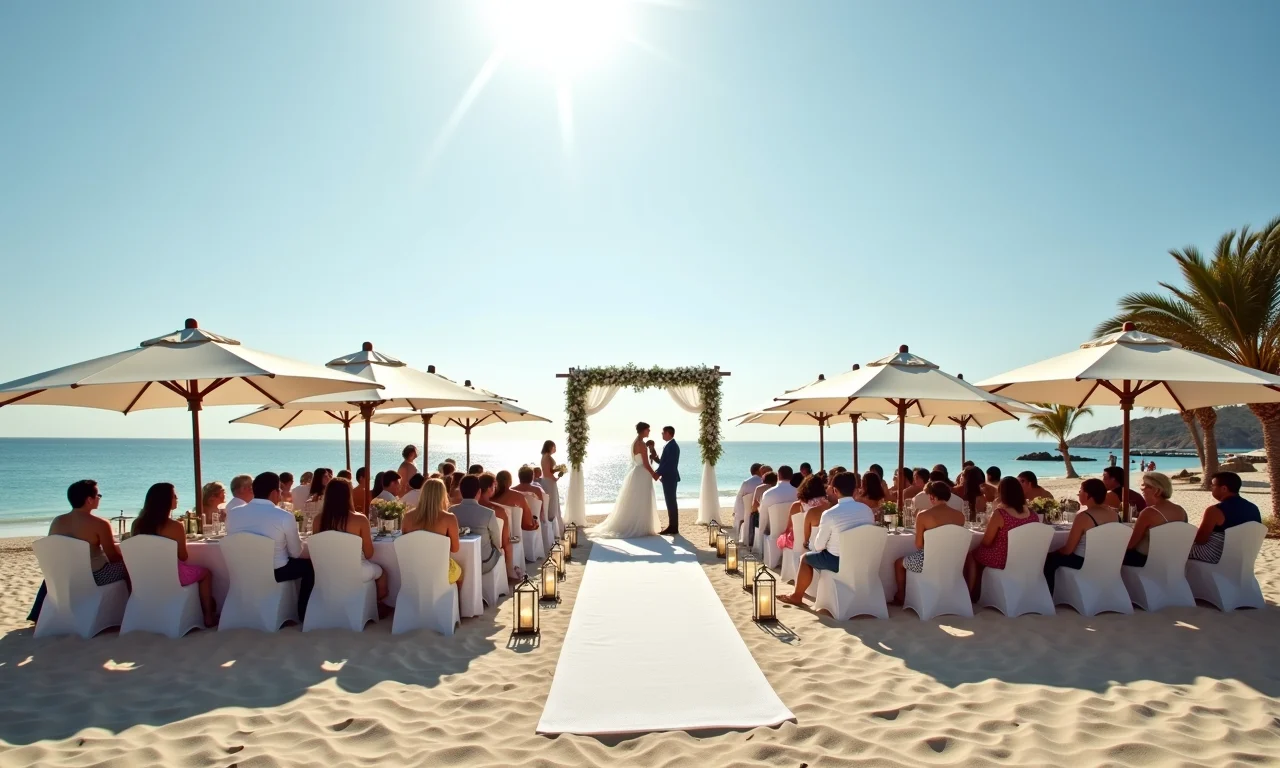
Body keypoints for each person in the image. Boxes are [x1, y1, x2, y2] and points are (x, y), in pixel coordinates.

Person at [27, 480, 129, 623]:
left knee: (56, 574)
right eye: (98, 495)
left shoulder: (58, 521)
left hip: (63, 576)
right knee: (131, 568)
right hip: (94, 577)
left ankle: (37, 614)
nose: (99, 498)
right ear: (89, 500)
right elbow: (112, 556)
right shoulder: (100, 524)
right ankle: (128, 613)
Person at [225, 472, 313, 619]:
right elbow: (296, 553)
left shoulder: (233, 513)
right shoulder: (284, 516)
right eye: (279, 491)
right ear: (274, 493)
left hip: (241, 570)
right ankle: (304, 614)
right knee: (310, 567)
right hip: (275, 572)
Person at [779, 472, 873, 607]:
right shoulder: (867, 510)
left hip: (838, 562)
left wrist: (811, 544)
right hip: (863, 559)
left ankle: (796, 596)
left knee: (805, 559)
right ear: (855, 490)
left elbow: (818, 546)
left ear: (835, 490)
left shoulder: (830, 514)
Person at [130, 483, 217, 627]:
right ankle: (208, 616)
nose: (177, 499)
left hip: (144, 575)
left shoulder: (136, 524)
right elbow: (183, 556)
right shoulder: (175, 526)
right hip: (171, 576)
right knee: (206, 573)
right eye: (174, 496)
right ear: (165, 501)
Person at [311, 478, 388, 611]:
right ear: (348, 495)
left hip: (326, 571)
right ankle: (376, 605)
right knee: (383, 572)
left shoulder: (318, 520)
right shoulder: (359, 520)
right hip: (355, 572)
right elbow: (369, 554)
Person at [893, 482, 967, 605]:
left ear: (932, 497)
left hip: (929, 563)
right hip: (952, 561)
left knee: (898, 563)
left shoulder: (923, 515)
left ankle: (901, 595)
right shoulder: (960, 516)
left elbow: (919, 545)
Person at [965, 477, 1036, 601]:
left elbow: (986, 542)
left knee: (972, 554)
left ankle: (972, 594)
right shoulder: (1032, 514)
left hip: (1003, 559)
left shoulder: (1001, 513)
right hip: (1026, 558)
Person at [1043, 478, 1119, 593]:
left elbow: (1068, 550)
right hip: (1108, 560)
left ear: (1088, 495)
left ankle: (1049, 595)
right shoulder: (1114, 514)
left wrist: (1052, 552)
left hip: (1083, 561)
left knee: (1048, 560)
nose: (1078, 494)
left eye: (1080, 491)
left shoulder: (1084, 517)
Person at [592, 422, 662, 538]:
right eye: (648, 430)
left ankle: (636, 523)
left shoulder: (635, 442)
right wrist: (654, 474)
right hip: (643, 473)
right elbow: (646, 463)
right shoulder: (642, 444)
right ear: (643, 430)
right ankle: (640, 526)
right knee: (643, 499)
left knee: (636, 500)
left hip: (636, 472)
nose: (649, 431)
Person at [1189, 471, 1262, 564]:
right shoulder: (1253, 508)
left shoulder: (1215, 510)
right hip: (1244, 558)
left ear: (1224, 488)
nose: (1211, 488)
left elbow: (1200, 540)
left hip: (1218, 558)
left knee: (1179, 551)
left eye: (1213, 485)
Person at [403, 478, 462, 587]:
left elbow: (405, 545)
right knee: (460, 575)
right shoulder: (449, 518)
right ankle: (452, 601)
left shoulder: (407, 517)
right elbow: (455, 548)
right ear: (442, 495)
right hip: (439, 570)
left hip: (414, 571)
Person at [1124, 472, 1188, 567]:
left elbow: (1131, 544)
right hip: (1172, 560)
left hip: (1147, 561)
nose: (1142, 489)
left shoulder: (1149, 512)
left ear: (1157, 490)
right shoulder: (1181, 510)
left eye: (1146, 486)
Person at [451, 474, 505, 577]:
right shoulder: (488, 513)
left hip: (458, 562)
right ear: (479, 492)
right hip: (483, 562)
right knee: (500, 552)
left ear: (461, 492)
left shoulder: (451, 511)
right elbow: (497, 540)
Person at [777, 473, 831, 554]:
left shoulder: (797, 505)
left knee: (782, 537)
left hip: (802, 542)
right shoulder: (828, 504)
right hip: (823, 543)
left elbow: (789, 527)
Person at [757, 465, 798, 542]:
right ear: (791, 477)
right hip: (792, 531)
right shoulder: (798, 493)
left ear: (778, 476)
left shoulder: (768, 493)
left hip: (772, 531)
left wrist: (760, 536)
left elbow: (763, 518)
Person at [654, 426, 682, 535]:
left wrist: (658, 473)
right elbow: (664, 462)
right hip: (668, 477)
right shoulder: (670, 445)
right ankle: (672, 526)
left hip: (670, 477)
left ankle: (673, 527)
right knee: (670, 502)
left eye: (663, 433)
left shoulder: (673, 446)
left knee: (671, 502)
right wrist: (656, 458)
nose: (662, 434)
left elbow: (669, 464)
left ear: (668, 433)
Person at [734, 463, 766, 541]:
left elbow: (739, 498)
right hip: (763, 512)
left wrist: (736, 512)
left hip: (748, 512)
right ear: (759, 470)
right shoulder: (766, 483)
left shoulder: (746, 483)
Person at [749, 470, 778, 546]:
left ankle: (752, 541)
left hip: (762, 518)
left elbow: (754, 506)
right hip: (777, 518)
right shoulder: (777, 489)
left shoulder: (759, 488)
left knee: (752, 515)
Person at [538, 440, 563, 528]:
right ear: (550, 447)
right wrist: (555, 478)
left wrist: (558, 470)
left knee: (552, 501)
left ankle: (553, 524)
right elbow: (547, 472)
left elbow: (548, 470)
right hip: (549, 481)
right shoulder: (547, 457)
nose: (555, 449)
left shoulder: (545, 456)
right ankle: (552, 523)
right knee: (552, 501)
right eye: (554, 446)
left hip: (547, 480)